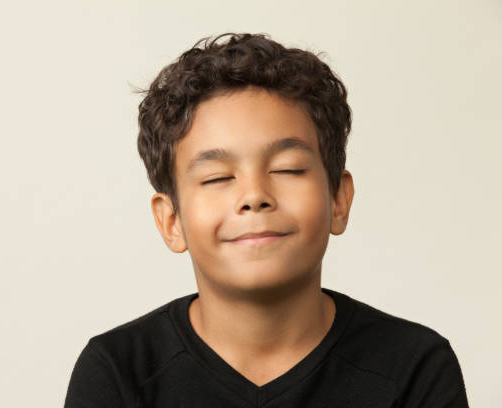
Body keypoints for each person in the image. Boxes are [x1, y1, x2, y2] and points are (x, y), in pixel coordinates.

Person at [63, 32, 469, 407]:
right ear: (171, 221)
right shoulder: (118, 372)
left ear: (339, 199)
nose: (254, 196)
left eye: (288, 169)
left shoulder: (414, 367)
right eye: (218, 177)